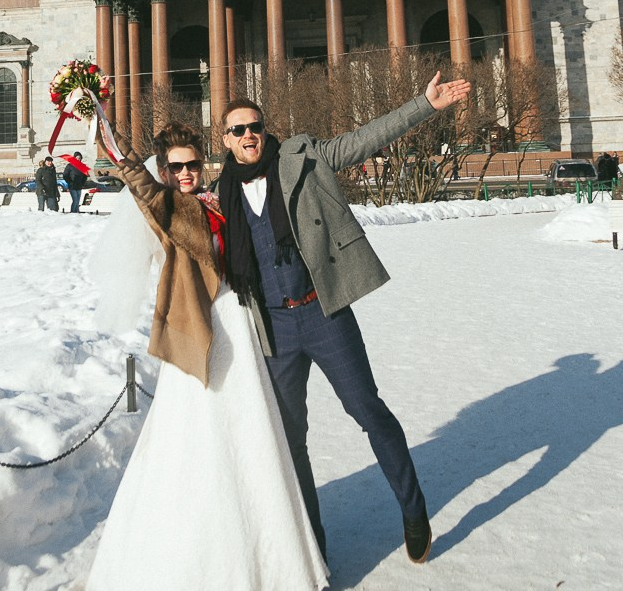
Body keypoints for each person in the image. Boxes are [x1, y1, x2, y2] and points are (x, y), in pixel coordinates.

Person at [217, 70, 470, 565]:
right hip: (274, 330)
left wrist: (425, 105)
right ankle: (315, 549)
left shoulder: (301, 156)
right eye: (239, 130)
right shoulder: (219, 193)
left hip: (323, 311)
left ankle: (413, 509)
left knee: (368, 411)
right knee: (292, 442)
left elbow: (362, 140)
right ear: (224, 139)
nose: (249, 136)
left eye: (256, 126)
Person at [86, 122, 328, 591]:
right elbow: (135, 178)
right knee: (197, 439)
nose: (184, 173)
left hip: (239, 325)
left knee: (252, 432)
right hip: (202, 334)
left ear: (204, 164)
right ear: (163, 170)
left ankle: (270, 549)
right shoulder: (164, 206)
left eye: (191, 164)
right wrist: (104, 124)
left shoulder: (218, 199)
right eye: (174, 166)